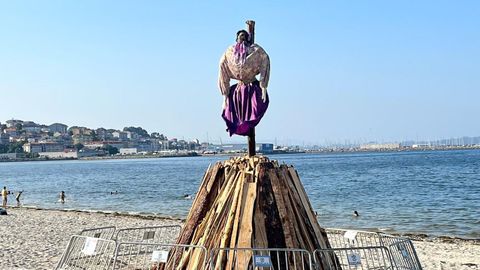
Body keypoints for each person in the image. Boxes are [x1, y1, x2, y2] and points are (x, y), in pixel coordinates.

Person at [218, 21, 270, 137]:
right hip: (238, 90)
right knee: (234, 112)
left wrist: (263, 86)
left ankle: (248, 126)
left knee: (255, 108)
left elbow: (265, 61)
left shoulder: (255, 50)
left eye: (244, 37)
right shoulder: (230, 52)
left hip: (253, 87)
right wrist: (225, 96)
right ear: (236, 39)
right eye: (240, 37)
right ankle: (241, 127)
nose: (242, 39)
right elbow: (223, 68)